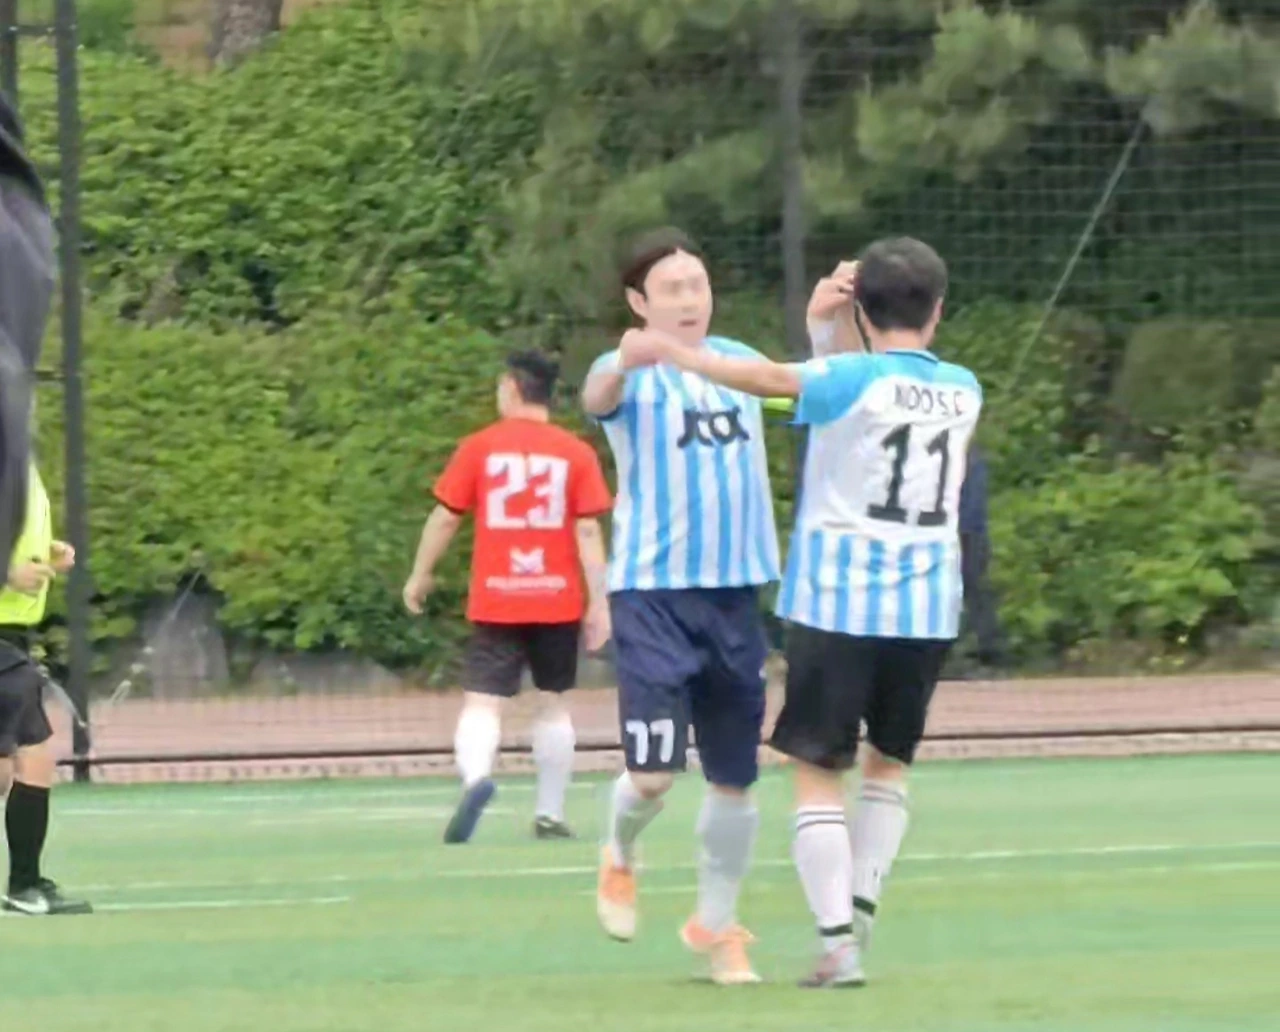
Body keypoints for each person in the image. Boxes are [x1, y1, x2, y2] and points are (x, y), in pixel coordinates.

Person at [636, 238, 982, 987]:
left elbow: (772, 380)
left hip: (839, 602)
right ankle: (861, 908)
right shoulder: (963, 388)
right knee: (888, 765)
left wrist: (676, 353)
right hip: (927, 607)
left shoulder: (848, 378)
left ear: (863, 308)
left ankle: (837, 942)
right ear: (938, 310)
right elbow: (864, 393)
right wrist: (833, 331)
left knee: (816, 771)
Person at [580, 227, 781, 986]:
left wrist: (828, 327)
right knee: (654, 775)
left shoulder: (735, 361)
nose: (690, 299)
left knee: (736, 777)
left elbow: (798, 384)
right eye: (672, 289)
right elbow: (596, 397)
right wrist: (625, 361)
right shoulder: (626, 369)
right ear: (639, 302)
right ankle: (619, 852)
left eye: (698, 284)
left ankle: (717, 927)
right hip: (653, 597)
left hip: (735, 597)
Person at [403, 350, 612, 844]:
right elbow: (587, 531)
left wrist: (420, 574)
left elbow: (446, 517)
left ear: (513, 389)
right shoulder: (576, 452)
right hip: (556, 599)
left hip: (497, 597)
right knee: (553, 706)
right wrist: (599, 601)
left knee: (483, 702)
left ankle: (476, 779)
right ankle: (550, 813)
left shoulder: (479, 447)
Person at [0, 93, 92, 916]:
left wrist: (46, 556)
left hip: (13, 627)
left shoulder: (18, 450)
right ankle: (25, 884)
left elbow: (21, 522)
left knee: (14, 758)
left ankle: (22, 881)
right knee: (35, 749)